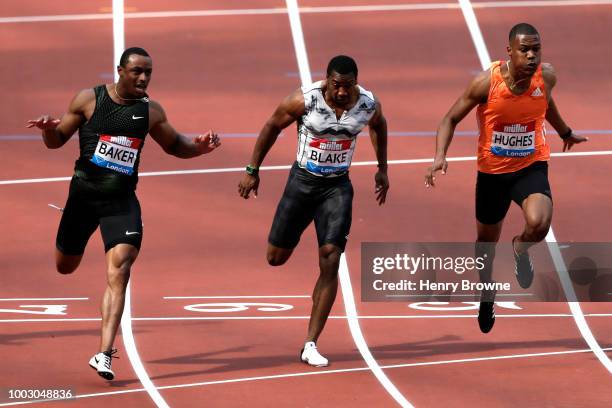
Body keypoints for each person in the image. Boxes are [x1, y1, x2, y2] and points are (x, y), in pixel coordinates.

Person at [26, 47, 220, 380]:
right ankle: (70, 239)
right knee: (65, 267)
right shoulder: (89, 100)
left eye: (148, 73)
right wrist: (47, 128)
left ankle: (103, 354)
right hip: (83, 199)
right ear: (120, 70)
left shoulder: (151, 112)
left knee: (121, 268)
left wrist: (199, 149)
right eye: (137, 72)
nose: (144, 78)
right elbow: (57, 140)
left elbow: (177, 147)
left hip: (121, 202)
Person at [424, 23, 587, 333]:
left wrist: (564, 132)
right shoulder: (486, 83)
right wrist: (439, 156)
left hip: (530, 165)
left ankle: (520, 249)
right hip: (492, 174)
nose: (531, 56)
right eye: (524, 50)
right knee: (486, 242)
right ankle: (487, 293)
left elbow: (545, 102)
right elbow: (450, 118)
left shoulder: (547, 76)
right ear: (509, 51)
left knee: (539, 223)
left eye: (536, 49)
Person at [238, 55, 389, 366]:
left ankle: (310, 343)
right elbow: (271, 126)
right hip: (302, 184)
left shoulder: (368, 104)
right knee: (275, 258)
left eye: (349, 86)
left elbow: (379, 126)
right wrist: (253, 169)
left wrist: (382, 169)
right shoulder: (304, 100)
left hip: (337, 188)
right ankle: (319, 289)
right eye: (337, 86)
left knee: (331, 257)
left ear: (356, 83)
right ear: (327, 81)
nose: (343, 93)